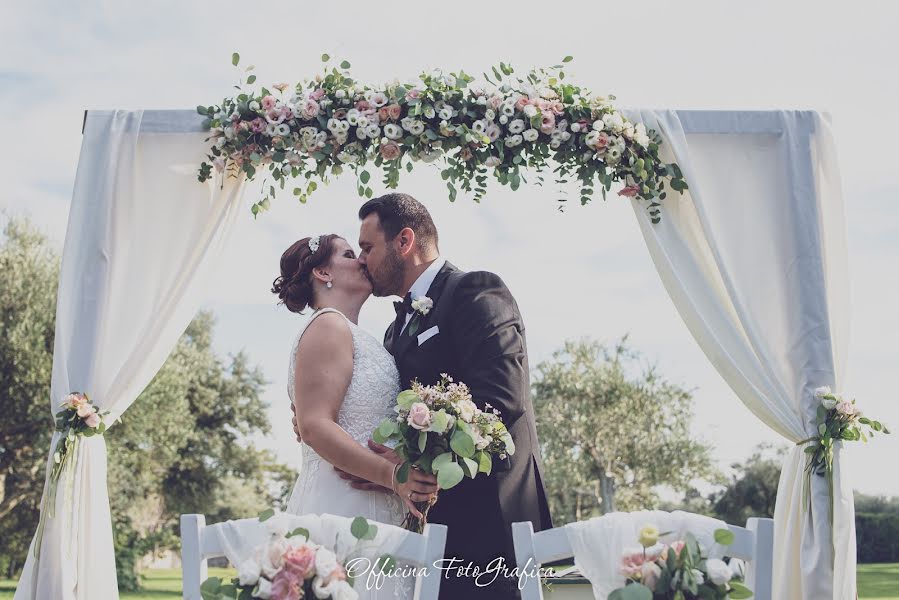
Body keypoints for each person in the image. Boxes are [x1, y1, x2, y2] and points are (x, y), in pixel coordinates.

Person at [340, 192, 553, 600]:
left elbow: (500, 398)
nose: (362, 260)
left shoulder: (475, 290)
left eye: (368, 247)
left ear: (404, 241)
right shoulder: (393, 330)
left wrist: (411, 460)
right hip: (432, 526)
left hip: (492, 519)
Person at [272, 233, 438, 599]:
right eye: (350, 254)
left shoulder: (363, 337)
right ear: (322, 272)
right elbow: (315, 425)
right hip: (340, 506)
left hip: (381, 509)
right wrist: (393, 475)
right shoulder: (328, 324)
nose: (362, 260)